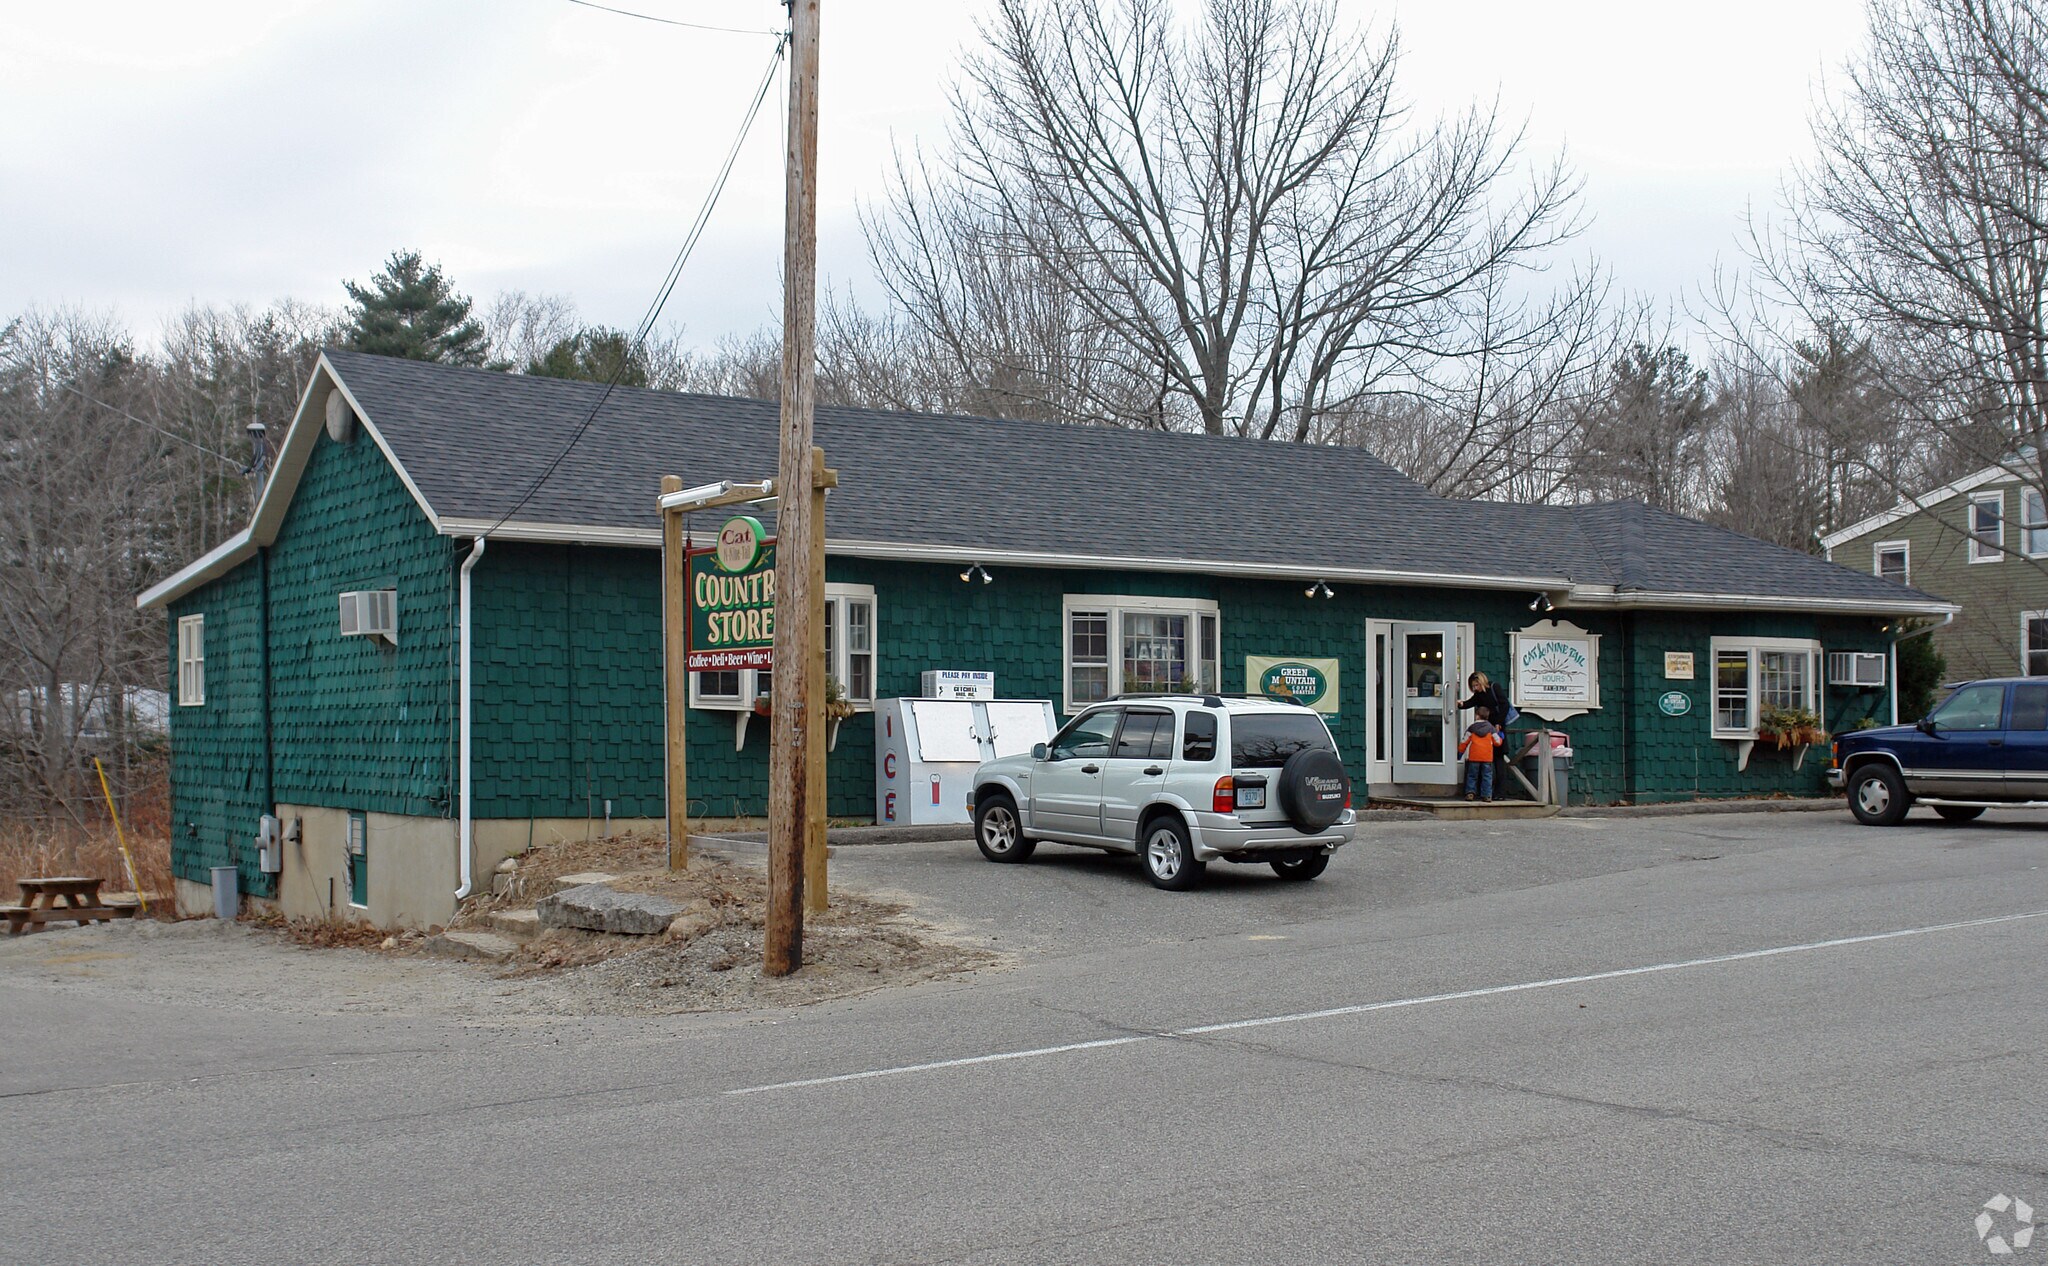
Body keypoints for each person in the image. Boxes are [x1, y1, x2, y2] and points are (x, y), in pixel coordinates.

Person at [1459, 707, 1501, 801]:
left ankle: (1470, 793)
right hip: (1487, 757)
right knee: (1487, 776)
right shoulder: (1491, 728)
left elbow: (1464, 741)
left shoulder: (1472, 728)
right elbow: (1497, 742)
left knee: (1472, 775)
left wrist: (1460, 752)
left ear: (1477, 716)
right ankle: (1487, 795)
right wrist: (1501, 736)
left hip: (1474, 756)